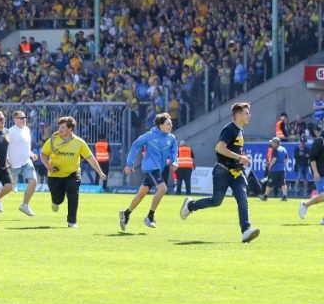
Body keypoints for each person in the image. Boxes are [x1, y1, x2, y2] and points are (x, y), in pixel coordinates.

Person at [180, 102, 260, 243]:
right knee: (216, 201)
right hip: (222, 171)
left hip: (236, 173)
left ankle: (246, 230)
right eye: (247, 113)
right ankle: (190, 205)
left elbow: (233, 151)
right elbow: (220, 148)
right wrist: (240, 157)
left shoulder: (240, 130)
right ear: (238, 114)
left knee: (243, 199)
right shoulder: (229, 129)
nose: (249, 116)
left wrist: (241, 159)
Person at [39, 116, 106, 228]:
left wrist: (100, 172)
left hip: (72, 173)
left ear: (70, 129)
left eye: (63, 127)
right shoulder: (53, 140)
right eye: (59, 126)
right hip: (54, 174)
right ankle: (55, 202)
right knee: (58, 199)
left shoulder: (79, 142)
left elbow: (90, 158)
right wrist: (48, 166)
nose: (60, 129)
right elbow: (43, 154)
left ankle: (72, 222)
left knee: (73, 196)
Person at [119, 113, 178, 231]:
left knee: (141, 195)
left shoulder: (171, 138)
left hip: (158, 169)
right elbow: (135, 146)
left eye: (171, 124)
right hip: (151, 168)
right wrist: (129, 164)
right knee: (163, 189)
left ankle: (125, 213)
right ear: (160, 125)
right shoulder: (149, 136)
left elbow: (173, 152)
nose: (170, 126)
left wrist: (174, 161)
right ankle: (150, 217)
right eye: (168, 124)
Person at [7, 110, 38, 216]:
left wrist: (31, 154)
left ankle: (25, 205)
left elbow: (27, 146)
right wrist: (7, 159)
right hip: (13, 164)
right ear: (15, 119)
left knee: (33, 181)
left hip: (26, 162)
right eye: (21, 118)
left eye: (25, 117)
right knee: (8, 188)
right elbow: (4, 147)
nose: (24, 119)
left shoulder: (27, 130)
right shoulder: (9, 131)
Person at [298, 128, 324, 223]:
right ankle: (305, 204)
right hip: (320, 173)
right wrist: (316, 172)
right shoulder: (320, 140)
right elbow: (312, 158)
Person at [261, 137, 289, 201]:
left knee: (269, 183)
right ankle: (285, 196)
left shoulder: (275, 149)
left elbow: (274, 158)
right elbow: (286, 158)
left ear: (276, 143)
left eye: (273, 143)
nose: (272, 144)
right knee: (283, 183)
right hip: (282, 169)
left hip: (274, 170)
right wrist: (283, 165)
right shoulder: (283, 149)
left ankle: (265, 196)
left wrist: (270, 166)